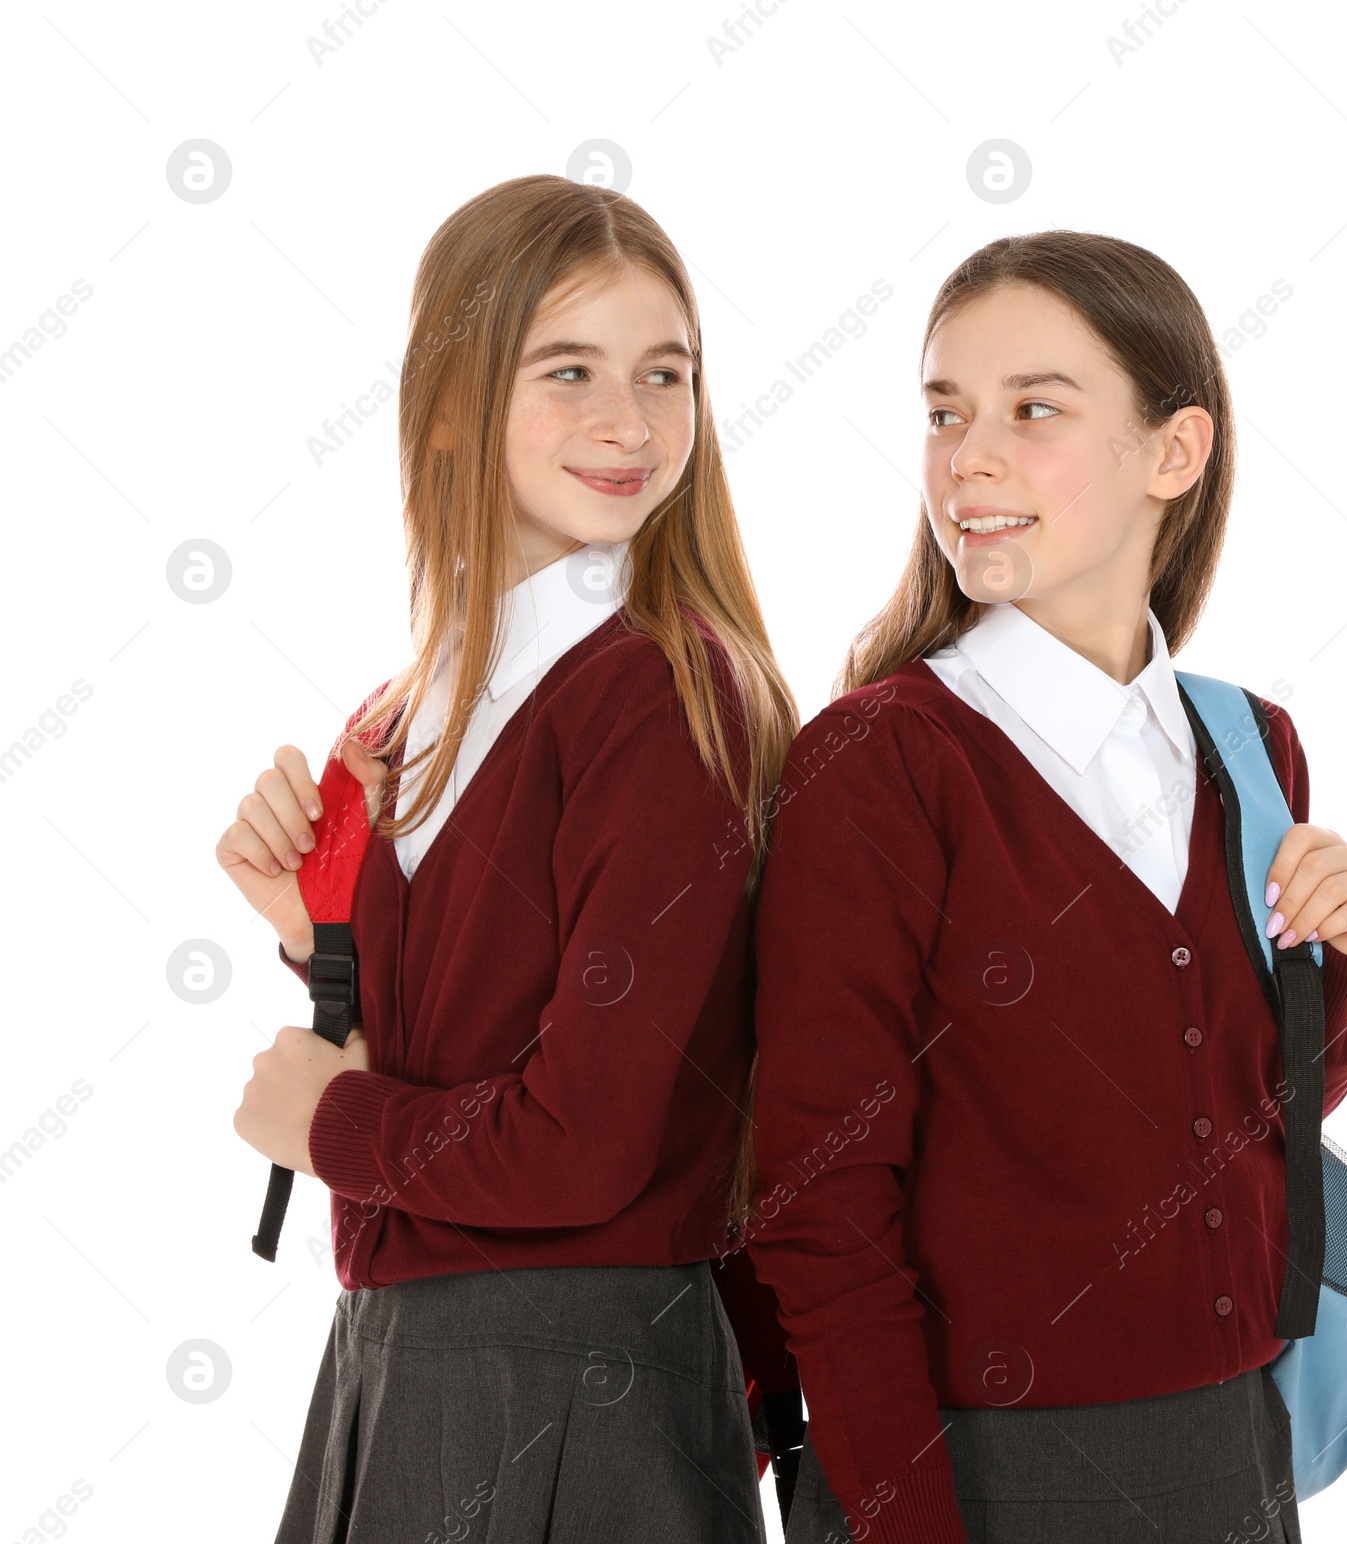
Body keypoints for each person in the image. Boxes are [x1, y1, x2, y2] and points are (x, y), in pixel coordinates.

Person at [743, 231, 1347, 1544]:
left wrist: (1346, 951)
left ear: (1174, 452)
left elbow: (1257, 1116)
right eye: (945, 413)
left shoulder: (1248, 745)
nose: (966, 459)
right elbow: (818, 1203)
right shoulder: (883, 763)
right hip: (976, 1477)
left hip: (1234, 1457)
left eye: (1031, 410)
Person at [218, 173, 798, 1543]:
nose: (630, 422)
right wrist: (324, 936)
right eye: (571, 371)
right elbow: (492, 1033)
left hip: (577, 1388)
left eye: (668, 374)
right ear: (446, 412)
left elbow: (583, 1143)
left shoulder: (660, 692)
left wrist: (332, 1125)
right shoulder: (402, 714)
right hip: (403, 1363)